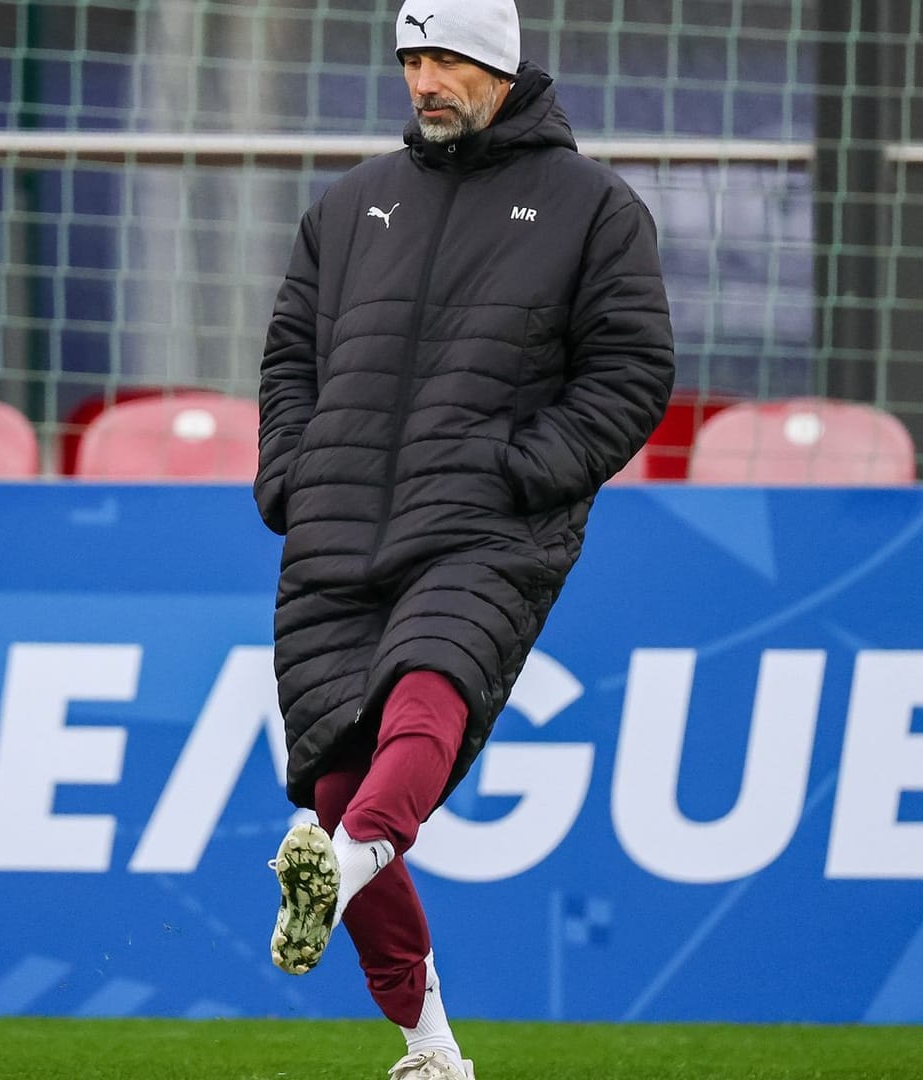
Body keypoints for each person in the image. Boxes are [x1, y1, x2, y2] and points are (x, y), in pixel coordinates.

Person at [254, 0, 675, 1077]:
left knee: (432, 680)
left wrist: (522, 471)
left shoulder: (593, 208)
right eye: (411, 59)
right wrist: (291, 475)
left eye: (445, 58)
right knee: (345, 780)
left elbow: (632, 373)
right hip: (336, 521)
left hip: (488, 520)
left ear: (498, 67)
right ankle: (431, 1050)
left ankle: (339, 871)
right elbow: (290, 354)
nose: (424, 79)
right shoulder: (351, 204)